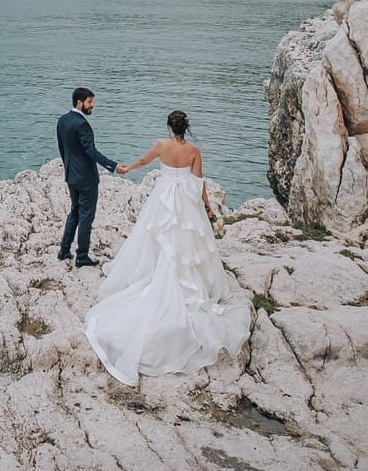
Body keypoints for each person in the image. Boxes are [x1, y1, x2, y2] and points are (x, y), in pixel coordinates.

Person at [83, 110, 250, 385]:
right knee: (188, 246)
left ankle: (154, 276)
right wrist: (207, 209)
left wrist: (125, 168)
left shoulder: (161, 145)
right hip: (186, 204)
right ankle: (190, 285)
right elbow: (198, 184)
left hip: (162, 201)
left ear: (169, 127)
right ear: (186, 127)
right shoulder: (194, 150)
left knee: (155, 240)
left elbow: (142, 161)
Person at [55, 87, 119, 267]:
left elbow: (62, 148)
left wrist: (69, 168)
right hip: (86, 179)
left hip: (71, 176)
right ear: (79, 102)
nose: (92, 106)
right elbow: (91, 151)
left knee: (74, 211)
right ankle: (82, 256)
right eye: (90, 102)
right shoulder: (82, 124)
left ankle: (64, 250)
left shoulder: (63, 120)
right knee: (86, 217)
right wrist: (112, 165)